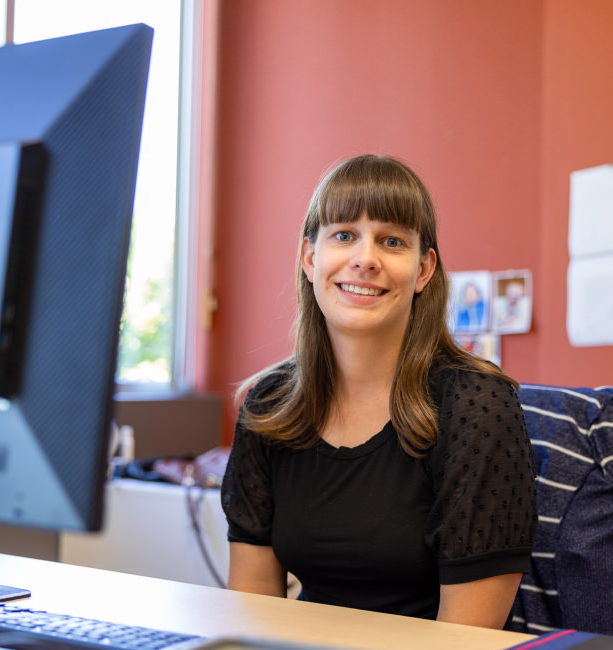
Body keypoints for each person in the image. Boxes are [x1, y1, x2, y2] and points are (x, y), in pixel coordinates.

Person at [220, 154, 537, 629]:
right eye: (344, 235)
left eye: (391, 241)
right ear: (311, 259)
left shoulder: (476, 406)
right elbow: (252, 613)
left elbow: (463, 643)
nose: (365, 258)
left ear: (424, 270)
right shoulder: (270, 407)